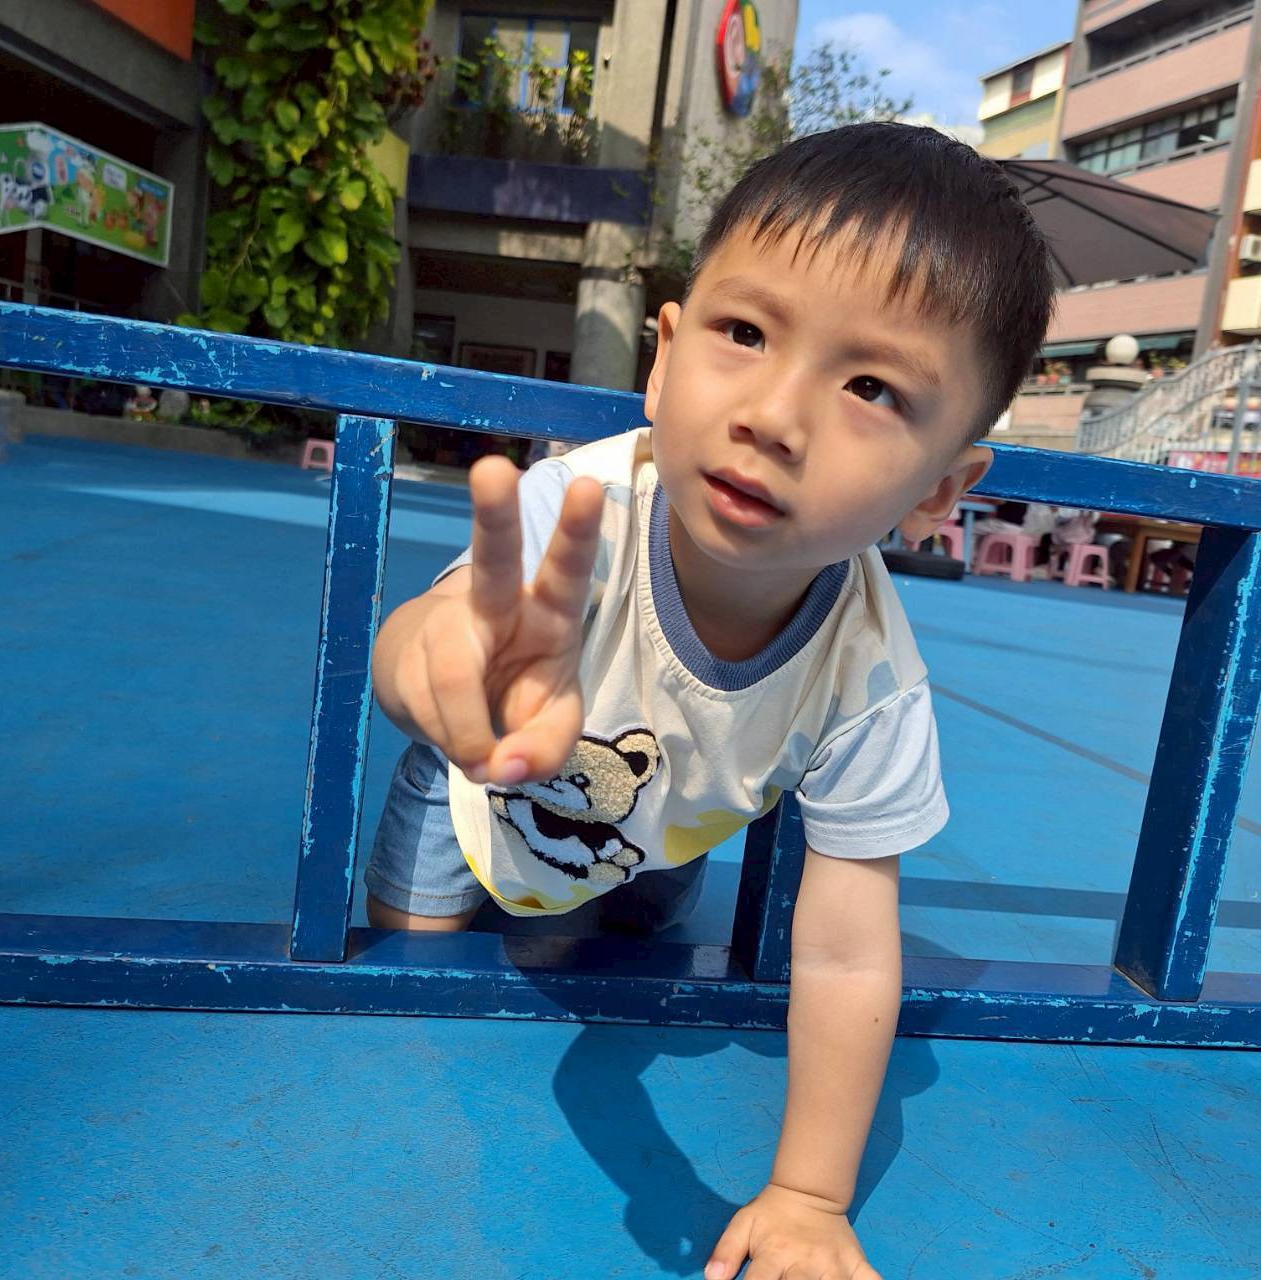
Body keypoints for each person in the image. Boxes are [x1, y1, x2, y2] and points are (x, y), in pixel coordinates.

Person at [365, 123, 1054, 1280]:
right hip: (473, 804)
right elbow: (417, 644)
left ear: (940, 488)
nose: (773, 415)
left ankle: (579, 905)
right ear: (664, 356)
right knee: (405, 1003)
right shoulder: (576, 513)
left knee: (603, 940)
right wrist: (438, 668)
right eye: (744, 333)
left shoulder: (870, 674)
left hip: (655, 836)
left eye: (870, 386)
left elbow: (845, 951)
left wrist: (806, 1193)